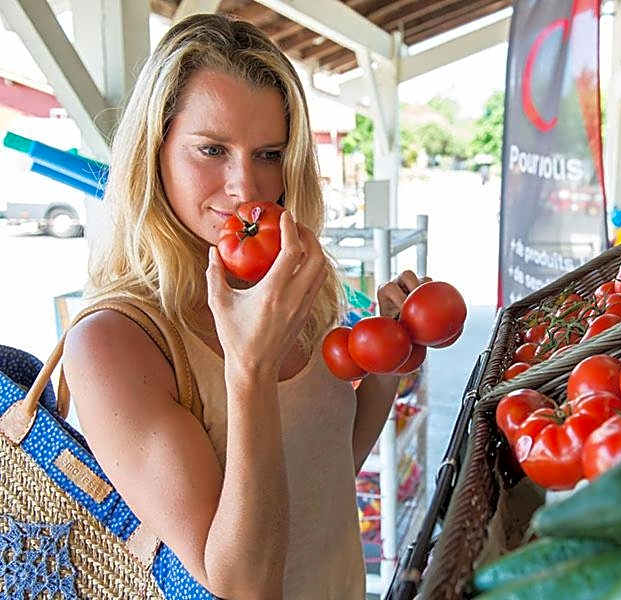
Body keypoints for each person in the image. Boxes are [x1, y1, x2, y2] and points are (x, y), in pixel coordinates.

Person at [62, 14, 426, 599]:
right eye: (211, 150)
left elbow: (327, 469)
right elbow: (242, 586)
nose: (246, 188)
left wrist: (392, 357)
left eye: (268, 154)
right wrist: (250, 368)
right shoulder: (114, 341)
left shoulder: (288, 284)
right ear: (154, 152)